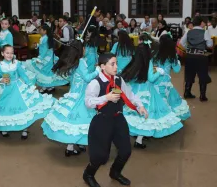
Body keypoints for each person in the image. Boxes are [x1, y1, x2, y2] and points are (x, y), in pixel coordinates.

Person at [83, 53, 148, 187]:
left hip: (118, 118)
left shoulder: (118, 80)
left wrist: (140, 106)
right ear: (102, 66)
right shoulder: (96, 83)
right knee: (100, 156)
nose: (116, 66)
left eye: (116, 63)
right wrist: (106, 98)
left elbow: (129, 95)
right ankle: (88, 174)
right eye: (112, 64)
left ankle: (115, 172)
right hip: (102, 121)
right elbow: (88, 102)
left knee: (125, 151)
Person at [0, 45, 55, 139]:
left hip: (18, 87)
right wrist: (1, 80)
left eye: (11, 53)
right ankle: (4, 127)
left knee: (22, 106)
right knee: (6, 107)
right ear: (2, 53)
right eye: (7, 53)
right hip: (5, 89)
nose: (9, 55)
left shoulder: (16, 63)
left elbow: (23, 75)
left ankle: (24, 129)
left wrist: (30, 85)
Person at [41, 40, 101, 156]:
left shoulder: (73, 61)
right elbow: (88, 78)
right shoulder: (81, 62)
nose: (85, 50)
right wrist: (98, 70)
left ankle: (75, 145)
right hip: (81, 95)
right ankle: (75, 144)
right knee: (81, 120)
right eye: (83, 48)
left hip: (73, 93)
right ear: (80, 50)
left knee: (72, 121)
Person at [120, 42, 183, 148]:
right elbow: (151, 78)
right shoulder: (148, 62)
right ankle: (139, 140)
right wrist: (159, 72)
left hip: (134, 91)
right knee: (147, 116)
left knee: (132, 114)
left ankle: (130, 136)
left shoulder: (133, 61)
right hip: (147, 91)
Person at [152, 34, 191, 120]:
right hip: (165, 83)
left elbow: (152, 69)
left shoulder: (154, 54)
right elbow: (177, 70)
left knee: (155, 102)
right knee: (168, 101)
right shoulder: (172, 56)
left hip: (154, 82)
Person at [23, 25, 68, 93]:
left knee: (43, 71)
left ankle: (46, 87)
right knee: (48, 72)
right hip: (50, 58)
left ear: (45, 31)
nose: (39, 31)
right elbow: (44, 47)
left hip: (45, 58)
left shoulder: (44, 38)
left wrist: (39, 58)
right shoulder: (46, 37)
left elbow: (44, 50)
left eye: (40, 29)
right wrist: (37, 45)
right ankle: (49, 87)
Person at [180, 16, 213, 101]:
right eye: (204, 22)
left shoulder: (189, 32)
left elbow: (181, 42)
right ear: (201, 22)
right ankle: (202, 96)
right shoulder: (204, 32)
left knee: (189, 74)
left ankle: (187, 92)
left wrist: (188, 48)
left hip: (190, 56)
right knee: (202, 75)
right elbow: (209, 45)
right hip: (201, 56)